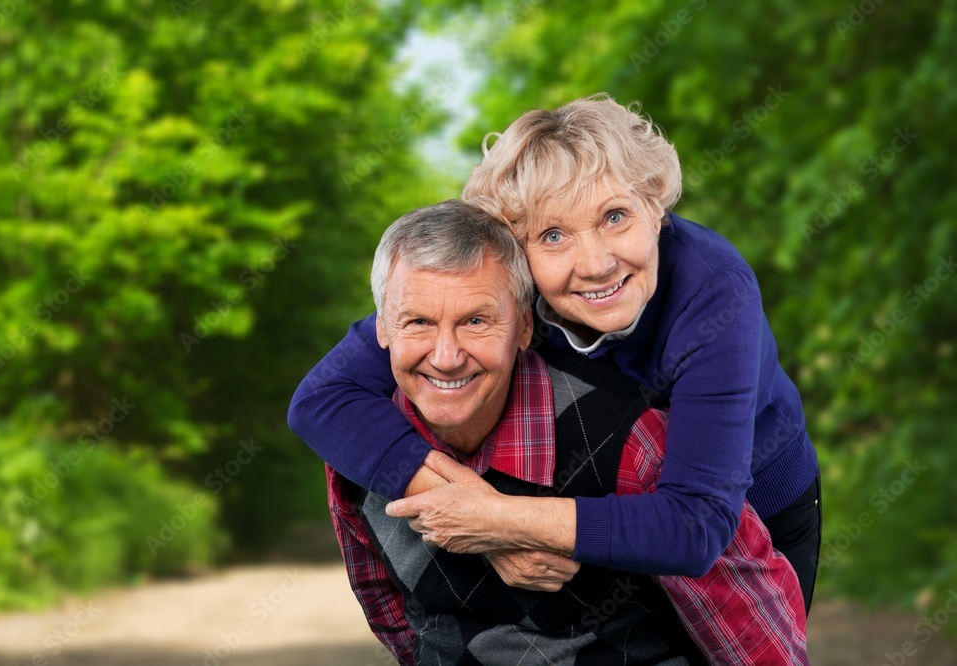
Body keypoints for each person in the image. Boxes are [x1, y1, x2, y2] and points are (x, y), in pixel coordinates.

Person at [289, 94, 822, 612]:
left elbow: (695, 527)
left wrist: (500, 521)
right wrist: (473, 507)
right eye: (552, 236)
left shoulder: (714, 291)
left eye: (614, 217)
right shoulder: (502, 281)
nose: (595, 264)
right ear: (517, 247)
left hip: (754, 512)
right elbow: (321, 400)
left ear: (655, 205)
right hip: (595, 508)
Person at [322, 199, 808, 665]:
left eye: (476, 321)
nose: (446, 357)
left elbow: (750, 632)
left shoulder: (633, 439)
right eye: (418, 322)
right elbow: (397, 620)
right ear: (381, 329)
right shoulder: (359, 444)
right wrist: (484, 522)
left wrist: (500, 520)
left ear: (525, 326)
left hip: (758, 485)